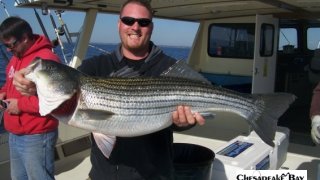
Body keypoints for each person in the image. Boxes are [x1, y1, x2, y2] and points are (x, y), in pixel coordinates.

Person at [13, 0, 205, 179]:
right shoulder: (94, 67)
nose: (135, 27)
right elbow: (61, 86)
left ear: (151, 27)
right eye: (128, 20)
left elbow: (178, 120)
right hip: (103, 174)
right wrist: (32, 84)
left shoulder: (168, 67)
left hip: (154, 174)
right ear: (119, 24)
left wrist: (183, 123)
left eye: (143, 22)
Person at [0, 16, 60, 180]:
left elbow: (54, 101)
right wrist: (3, 93)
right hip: (14, 133)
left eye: (10, 45)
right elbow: (9, 83)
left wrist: (20, 105)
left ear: (25, 38)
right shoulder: (15, 58)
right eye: (4, 45)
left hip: (37, 135)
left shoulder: (46, 60)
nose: (7, 50)